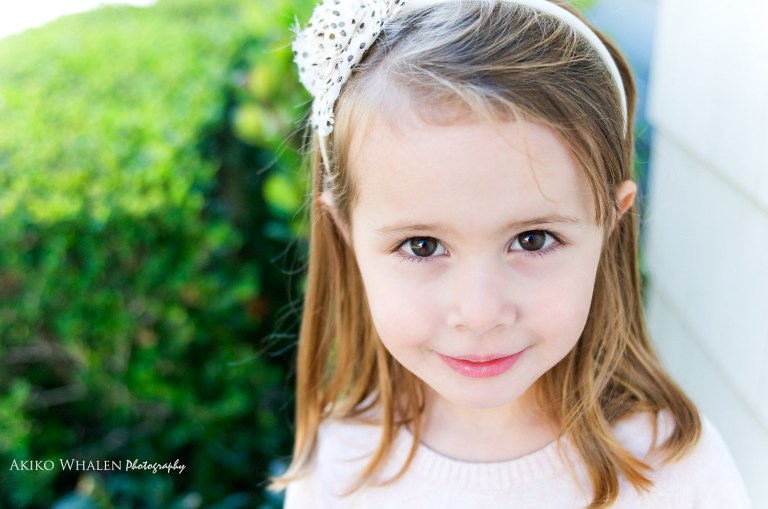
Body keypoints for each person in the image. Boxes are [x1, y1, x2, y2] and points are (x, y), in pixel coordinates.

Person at [273, 0, 752, 507]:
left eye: (532, 239)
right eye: (422, 245)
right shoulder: (337, 464)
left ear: (611, 220)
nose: (480, 313)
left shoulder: (675, 472)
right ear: (346, 232)